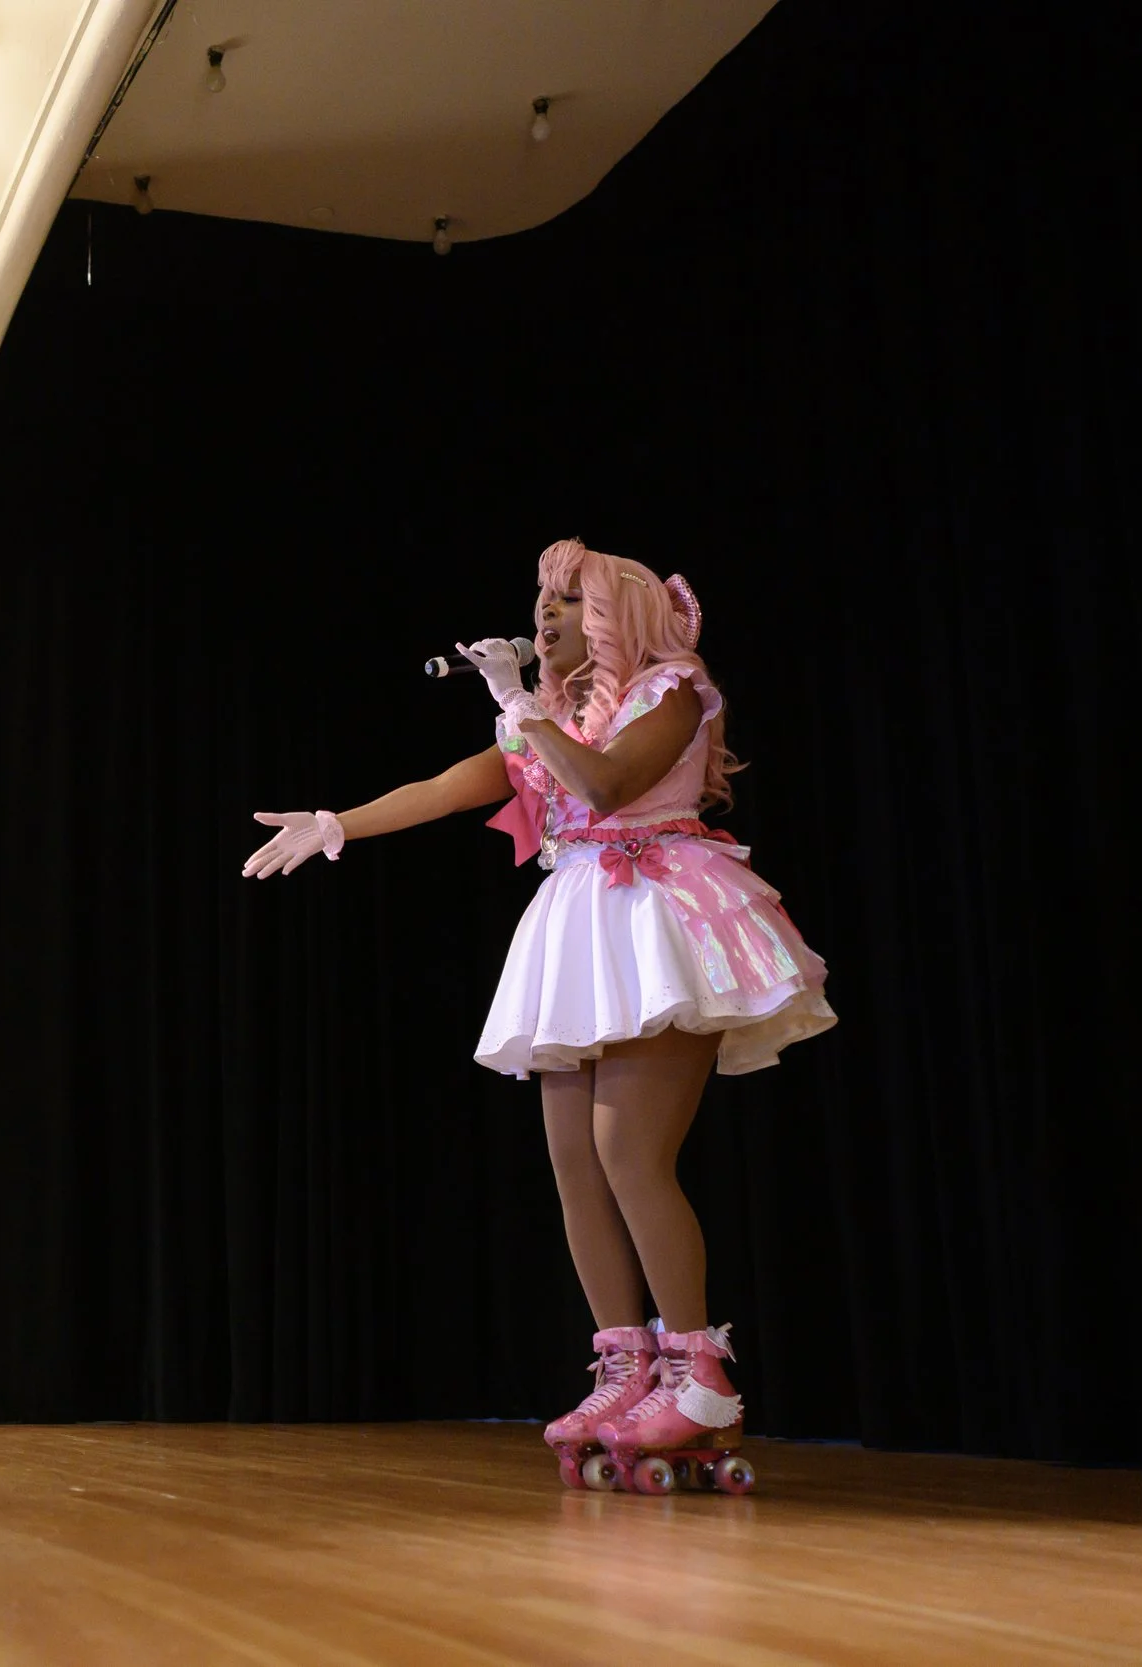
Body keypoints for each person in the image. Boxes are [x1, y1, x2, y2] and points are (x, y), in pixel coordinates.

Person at [242, 538, 834, 1491]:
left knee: (628, 1152)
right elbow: (451, 787)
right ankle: (625, 1364)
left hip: (660, 917)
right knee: (574, 1166)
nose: (545, 614)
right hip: (578, 925)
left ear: (614, 616)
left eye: (567, 600)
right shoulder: (548, 716)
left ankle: (698, 1370)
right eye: (540, 598)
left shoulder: (671, 690)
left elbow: (605, 786)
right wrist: (338, 823)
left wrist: (516, 701)